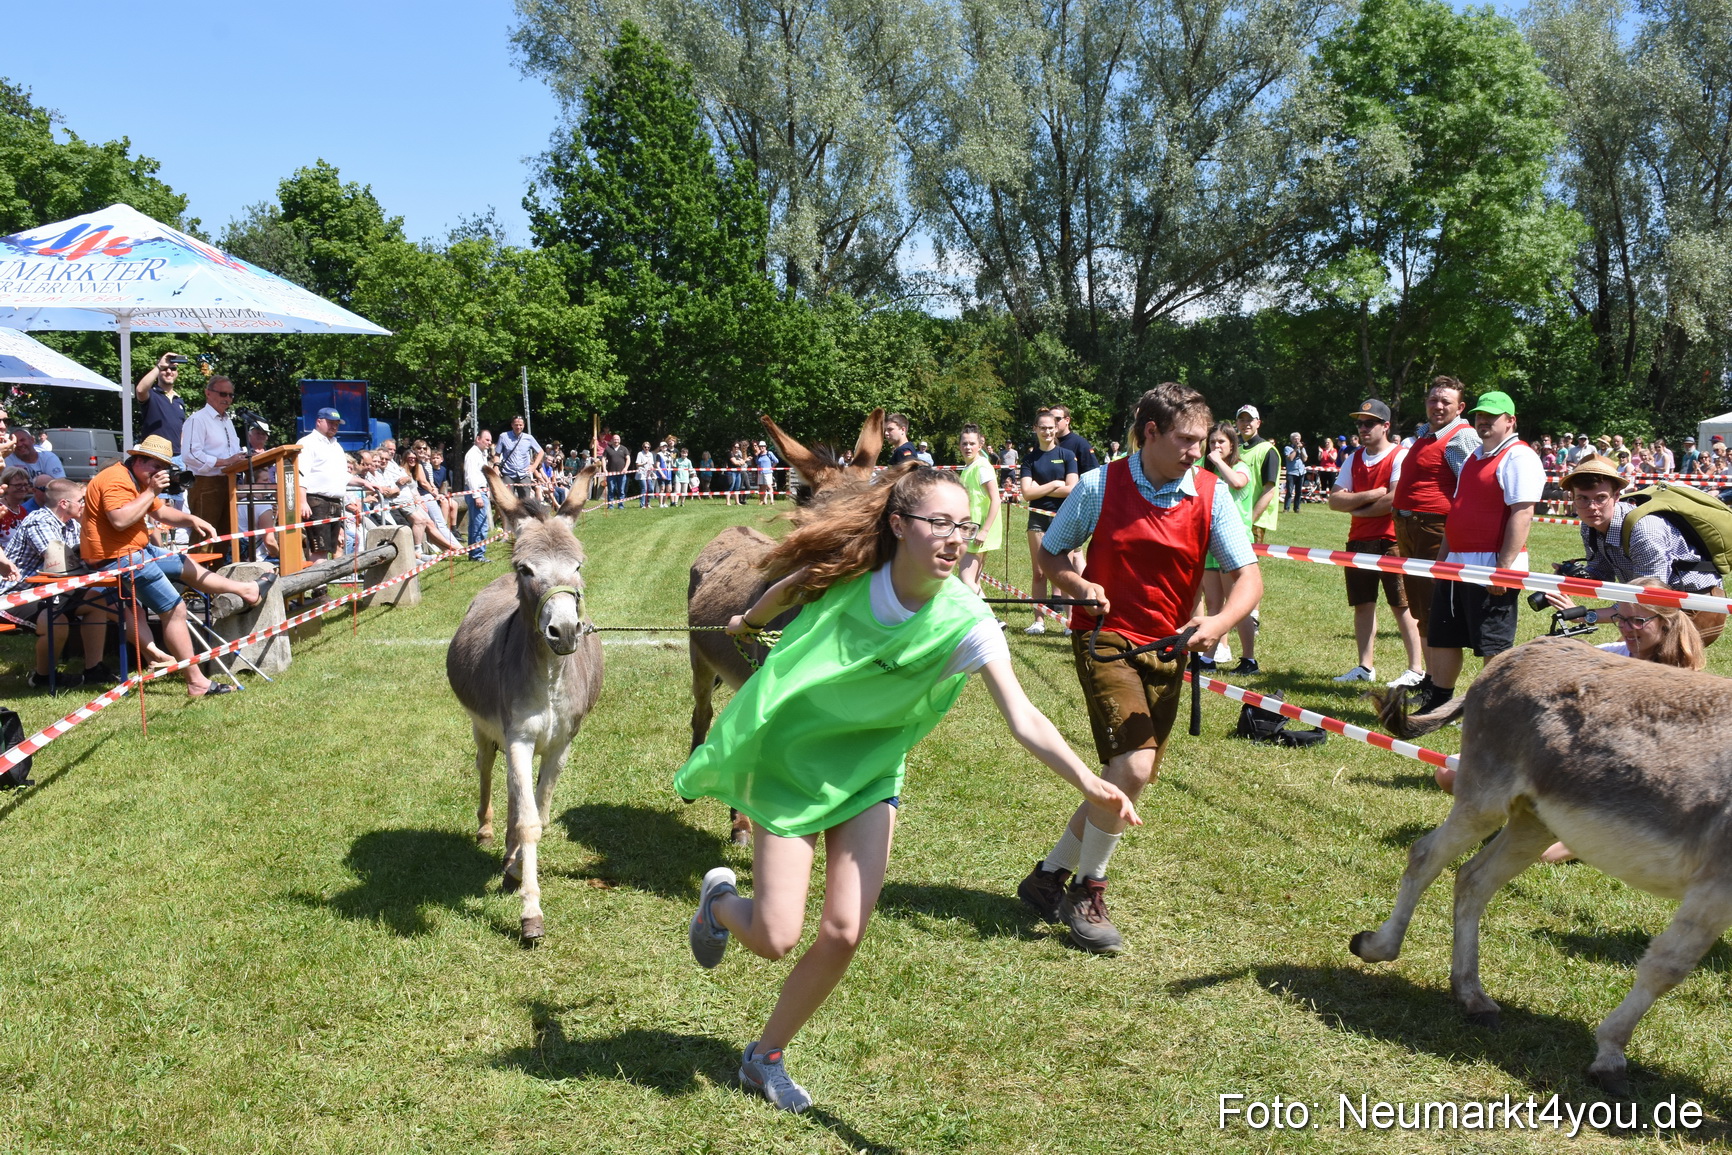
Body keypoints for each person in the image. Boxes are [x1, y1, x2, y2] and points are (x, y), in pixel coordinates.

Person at [677, 464, 1139, 1113]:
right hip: (794, 759)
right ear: (900, 525)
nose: (955, 538)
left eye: (964, 525)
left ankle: (764, 1057)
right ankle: (720, 903)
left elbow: (1025, 716)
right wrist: (749, 620)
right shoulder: (853, 574)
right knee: (776, 934)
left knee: (842, 931)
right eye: (939, 523)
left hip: (869, 774)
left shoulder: (966, 618)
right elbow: (789, 583)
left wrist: (1091, 780)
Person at [1021, 382, 1262, 954]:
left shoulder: (1210, 493)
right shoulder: (1101, 484)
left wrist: (1220, 622)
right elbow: (1051, 553)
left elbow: (1247, 575)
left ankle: (1048, 876)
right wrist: (1078, 585)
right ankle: (1087, 891)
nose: (1197, 453)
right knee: (1132, 763)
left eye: (1204, 442)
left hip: (1170, 649)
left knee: (1131, 775)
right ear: (1149, 432)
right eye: (1186, 440)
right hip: (1105, 640)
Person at [82, 436, 269, 698]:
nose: (159, 473)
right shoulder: (116, 480)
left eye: (162, 467)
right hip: (119, 557)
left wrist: (192, 520)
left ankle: (246, 590)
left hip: (136, 550)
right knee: (174, 609)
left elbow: (160, 513)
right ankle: (196, 682)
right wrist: (151, 491)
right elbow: (120, 520)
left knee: (183, 563)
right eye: (154, 466)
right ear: (137, 460)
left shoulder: (136, 479)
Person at [1411, 391, 1545, 715]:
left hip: (1491, 566)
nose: (1483, 421)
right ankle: (1440, 702)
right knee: (1444, 634)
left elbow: (1522, 513)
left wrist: (1503, 568)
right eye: (1479, 416)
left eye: (1492, 416)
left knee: (1492, 642)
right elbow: (1456, 512)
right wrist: (1441, 563)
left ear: (1510, 421)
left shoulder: (1519, 456)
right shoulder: (1474, 457)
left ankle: (1493, 712)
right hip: (1456, 565)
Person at [1542, 453, 1725, 645]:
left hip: (1696, 606)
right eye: (1583, 499)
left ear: (1617, 496)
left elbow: (1648, 600)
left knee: (1648, 665)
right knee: (1627, 657)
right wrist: (1571, 579)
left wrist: (1585, 616)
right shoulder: (1589, 526)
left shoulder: (1644, 531)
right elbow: (1602, 572)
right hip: (1654, 607)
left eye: (1601, 498)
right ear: (1572, 497)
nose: (1592, 507)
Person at [1387, 377, 1480, 682]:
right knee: (1420, 608)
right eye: (1433, 400)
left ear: (1460, 407)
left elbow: (1471, 488)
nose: (1438, 406)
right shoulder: (1425, 435)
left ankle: (1438, 685)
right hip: (1410, 527)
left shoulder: (1461, 437)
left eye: (1446, 402)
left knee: (1432, 608)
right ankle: (1430, 678)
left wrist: (1453, 534)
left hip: (1434, 529)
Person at [1327, 399, 1423, 686]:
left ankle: (1416, 670)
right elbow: (1334, 500)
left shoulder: (1400, 456)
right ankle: (1365, 667)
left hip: (1392, 541)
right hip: (1358, 540)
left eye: (1370, 423)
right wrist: (1371, 494)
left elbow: (1394, 499)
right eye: (1360, 423)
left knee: (1402, 605)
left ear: (1386, 426)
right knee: (1363, 604)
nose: (1363, 427)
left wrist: (1356, 505)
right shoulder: (1354, 458)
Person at [0, 478, 122, 688]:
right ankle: (43, 677)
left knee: (96, 602)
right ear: (64, 503)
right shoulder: (39, 521)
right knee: (56, 621)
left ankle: (94, 669)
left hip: (50, 590)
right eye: (81, 501)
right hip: (16, 594)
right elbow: (58, 561)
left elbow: (84, 557)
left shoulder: (72, 523)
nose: (85, 505)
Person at [1197, 422, 1257, 671]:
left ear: (1232, 444)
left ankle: (1249, 659)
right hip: (1210, 543)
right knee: (1213, 602)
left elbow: (1238, 483)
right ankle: (1208, 658)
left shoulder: (1241, 467)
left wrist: (1219, 462)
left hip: (1234, 543)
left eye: (1221, 441)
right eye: (1212, 442)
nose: (1216, 446)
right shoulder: (1207, 470)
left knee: (1237, 605)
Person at [1018, 413, 1079, 635]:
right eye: (1042, 428)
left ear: (1056, 428)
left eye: (1051, 428)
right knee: (1039, 573)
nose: (1047, 432)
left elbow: (1072, 489)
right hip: (1037, 519)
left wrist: (1039, 487)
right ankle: (1039, 621)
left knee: (1065, 571)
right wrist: (1055, 483)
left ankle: (1071, 622)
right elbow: (1026, 493)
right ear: (1035, 429)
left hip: (1064, 517)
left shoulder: (1067, 455)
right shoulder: (1029, 459)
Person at [181, 375, 247, 557]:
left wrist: (245, 458)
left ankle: (215, 580)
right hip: (206, 483)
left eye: (231, 395)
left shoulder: (228, 421)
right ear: (208, 393)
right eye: (223, 394)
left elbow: (231, 452)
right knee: (203, 536)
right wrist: (225, 462)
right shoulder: (198, 419)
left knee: (224, 536)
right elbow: (191, 454)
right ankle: (192, 582)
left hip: (228, 482)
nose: (228, 399)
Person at [956, 423, 1002, 592]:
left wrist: (984, 531)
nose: (968, 447)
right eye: (964, 443)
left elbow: (996, 499)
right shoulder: (969, 467)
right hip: (971, 529)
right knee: (974, 580)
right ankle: (986, 618)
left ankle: (992, 619)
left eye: (972, 443)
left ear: (980, 445)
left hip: (979, 530)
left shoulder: (982, 466)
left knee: (966, 578)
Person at [1234, 405, 1281, 543]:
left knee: (1248, 564)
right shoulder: (1237, 450)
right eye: (1241, 420)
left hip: (1254, 521)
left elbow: (1269, 490)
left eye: (1250, 419)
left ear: (1258, 423)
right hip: (1236, 517)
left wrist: (1249, 521)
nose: (1245, 423)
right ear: (1236, 423)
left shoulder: (1268, 450)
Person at [135, 352, 188, 457]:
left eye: (173, 369)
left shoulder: (179, 400)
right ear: (158, 372)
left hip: (177, 457)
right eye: (165, 369)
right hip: (155, 455)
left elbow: (181, 429)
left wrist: (184, 451)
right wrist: (159, 366)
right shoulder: (152, 394)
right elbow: (140, 390)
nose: (169, 372)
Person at [497, 416, 543, 499]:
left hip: (523, 474)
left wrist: (534, 466)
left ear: (524, 425)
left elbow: (541, 452)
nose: (518, 427)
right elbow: (497, 454)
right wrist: (496, 467)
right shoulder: (503, 436)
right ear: (512, 425)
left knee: (525, 501)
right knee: (508, 500)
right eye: (516, 425)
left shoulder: (529, 438)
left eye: (520, 425)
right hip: (508, 473)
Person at [1051, 405, 1099, 475]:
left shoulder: (1081, 444)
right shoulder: (1043, 443)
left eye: (1057, 419)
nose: (1054, 422)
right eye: (1051, 419)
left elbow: (1092, 474)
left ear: (1067, 420)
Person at [1282, 432, 1308, 513]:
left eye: (1298, 438)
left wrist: (1301, 449)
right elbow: (1290, 458)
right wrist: (1296, 449)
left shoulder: (1302, 448)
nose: (1297, 440)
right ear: (1291, 440)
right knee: (1289, 491)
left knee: (1299, 491)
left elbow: (1305, 459)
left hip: (1301, 472)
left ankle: (1297, 508)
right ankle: (1286, 508)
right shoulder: (1288, 448)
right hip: (1292, 472)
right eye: (1295, 438)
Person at [755, 439, 780, 505]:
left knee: (769, 486)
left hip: (768, 472)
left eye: (763, 446)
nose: (762, 447)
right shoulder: (759, 455)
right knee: (762, 487)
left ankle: (772, 500)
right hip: (761, 473)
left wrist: (772, 467)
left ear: (765, 447)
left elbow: (776, 461)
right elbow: (757, 463)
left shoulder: (769, 453)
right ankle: (763, 501)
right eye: (760, 446)